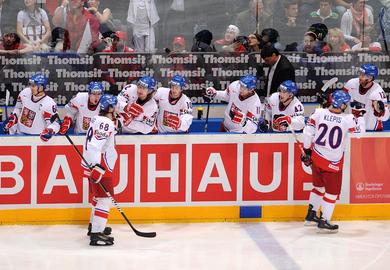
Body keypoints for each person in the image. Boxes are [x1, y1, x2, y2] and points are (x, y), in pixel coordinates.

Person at [302, 90, 356, 233]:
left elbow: (307, 133)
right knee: (331, 193)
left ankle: (311, 214)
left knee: (318, 187)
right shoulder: (348, 119)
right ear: (343, 105)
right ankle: (324, 220)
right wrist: (360, 117)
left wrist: (307, 152)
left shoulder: (318, 113)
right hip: (333, 162)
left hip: (316, 157)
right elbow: (359, 134)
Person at [82, 94, 118, 246]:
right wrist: (96, 167)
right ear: (109, 108)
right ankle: (97, 234)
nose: (116, 109)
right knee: (104, 199)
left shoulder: (98, 118)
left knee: (97, 197)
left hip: (94, 162)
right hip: (100, 165)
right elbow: (94, 145)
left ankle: (93, 226)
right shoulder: (106, 123)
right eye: (114, 106)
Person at [3, 73, 60, 141]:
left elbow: (56, 124)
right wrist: (14, 116)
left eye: (34, 86)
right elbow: (18, 108)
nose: (31, 88)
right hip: (18, 134)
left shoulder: (49, 104)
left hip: (35, 139)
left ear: (41, 87)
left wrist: (50, 130)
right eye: (31, 85)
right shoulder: (25, 93)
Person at [343, 64, 389, 131]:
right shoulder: (351, 83)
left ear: (370, 78)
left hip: (371, 129)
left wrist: (380, 111)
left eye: (363, 75)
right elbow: (341, 102)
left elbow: (385, 118)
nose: (360, 77)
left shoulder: (377, 92)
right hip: (352, 128)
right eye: (360, 74)